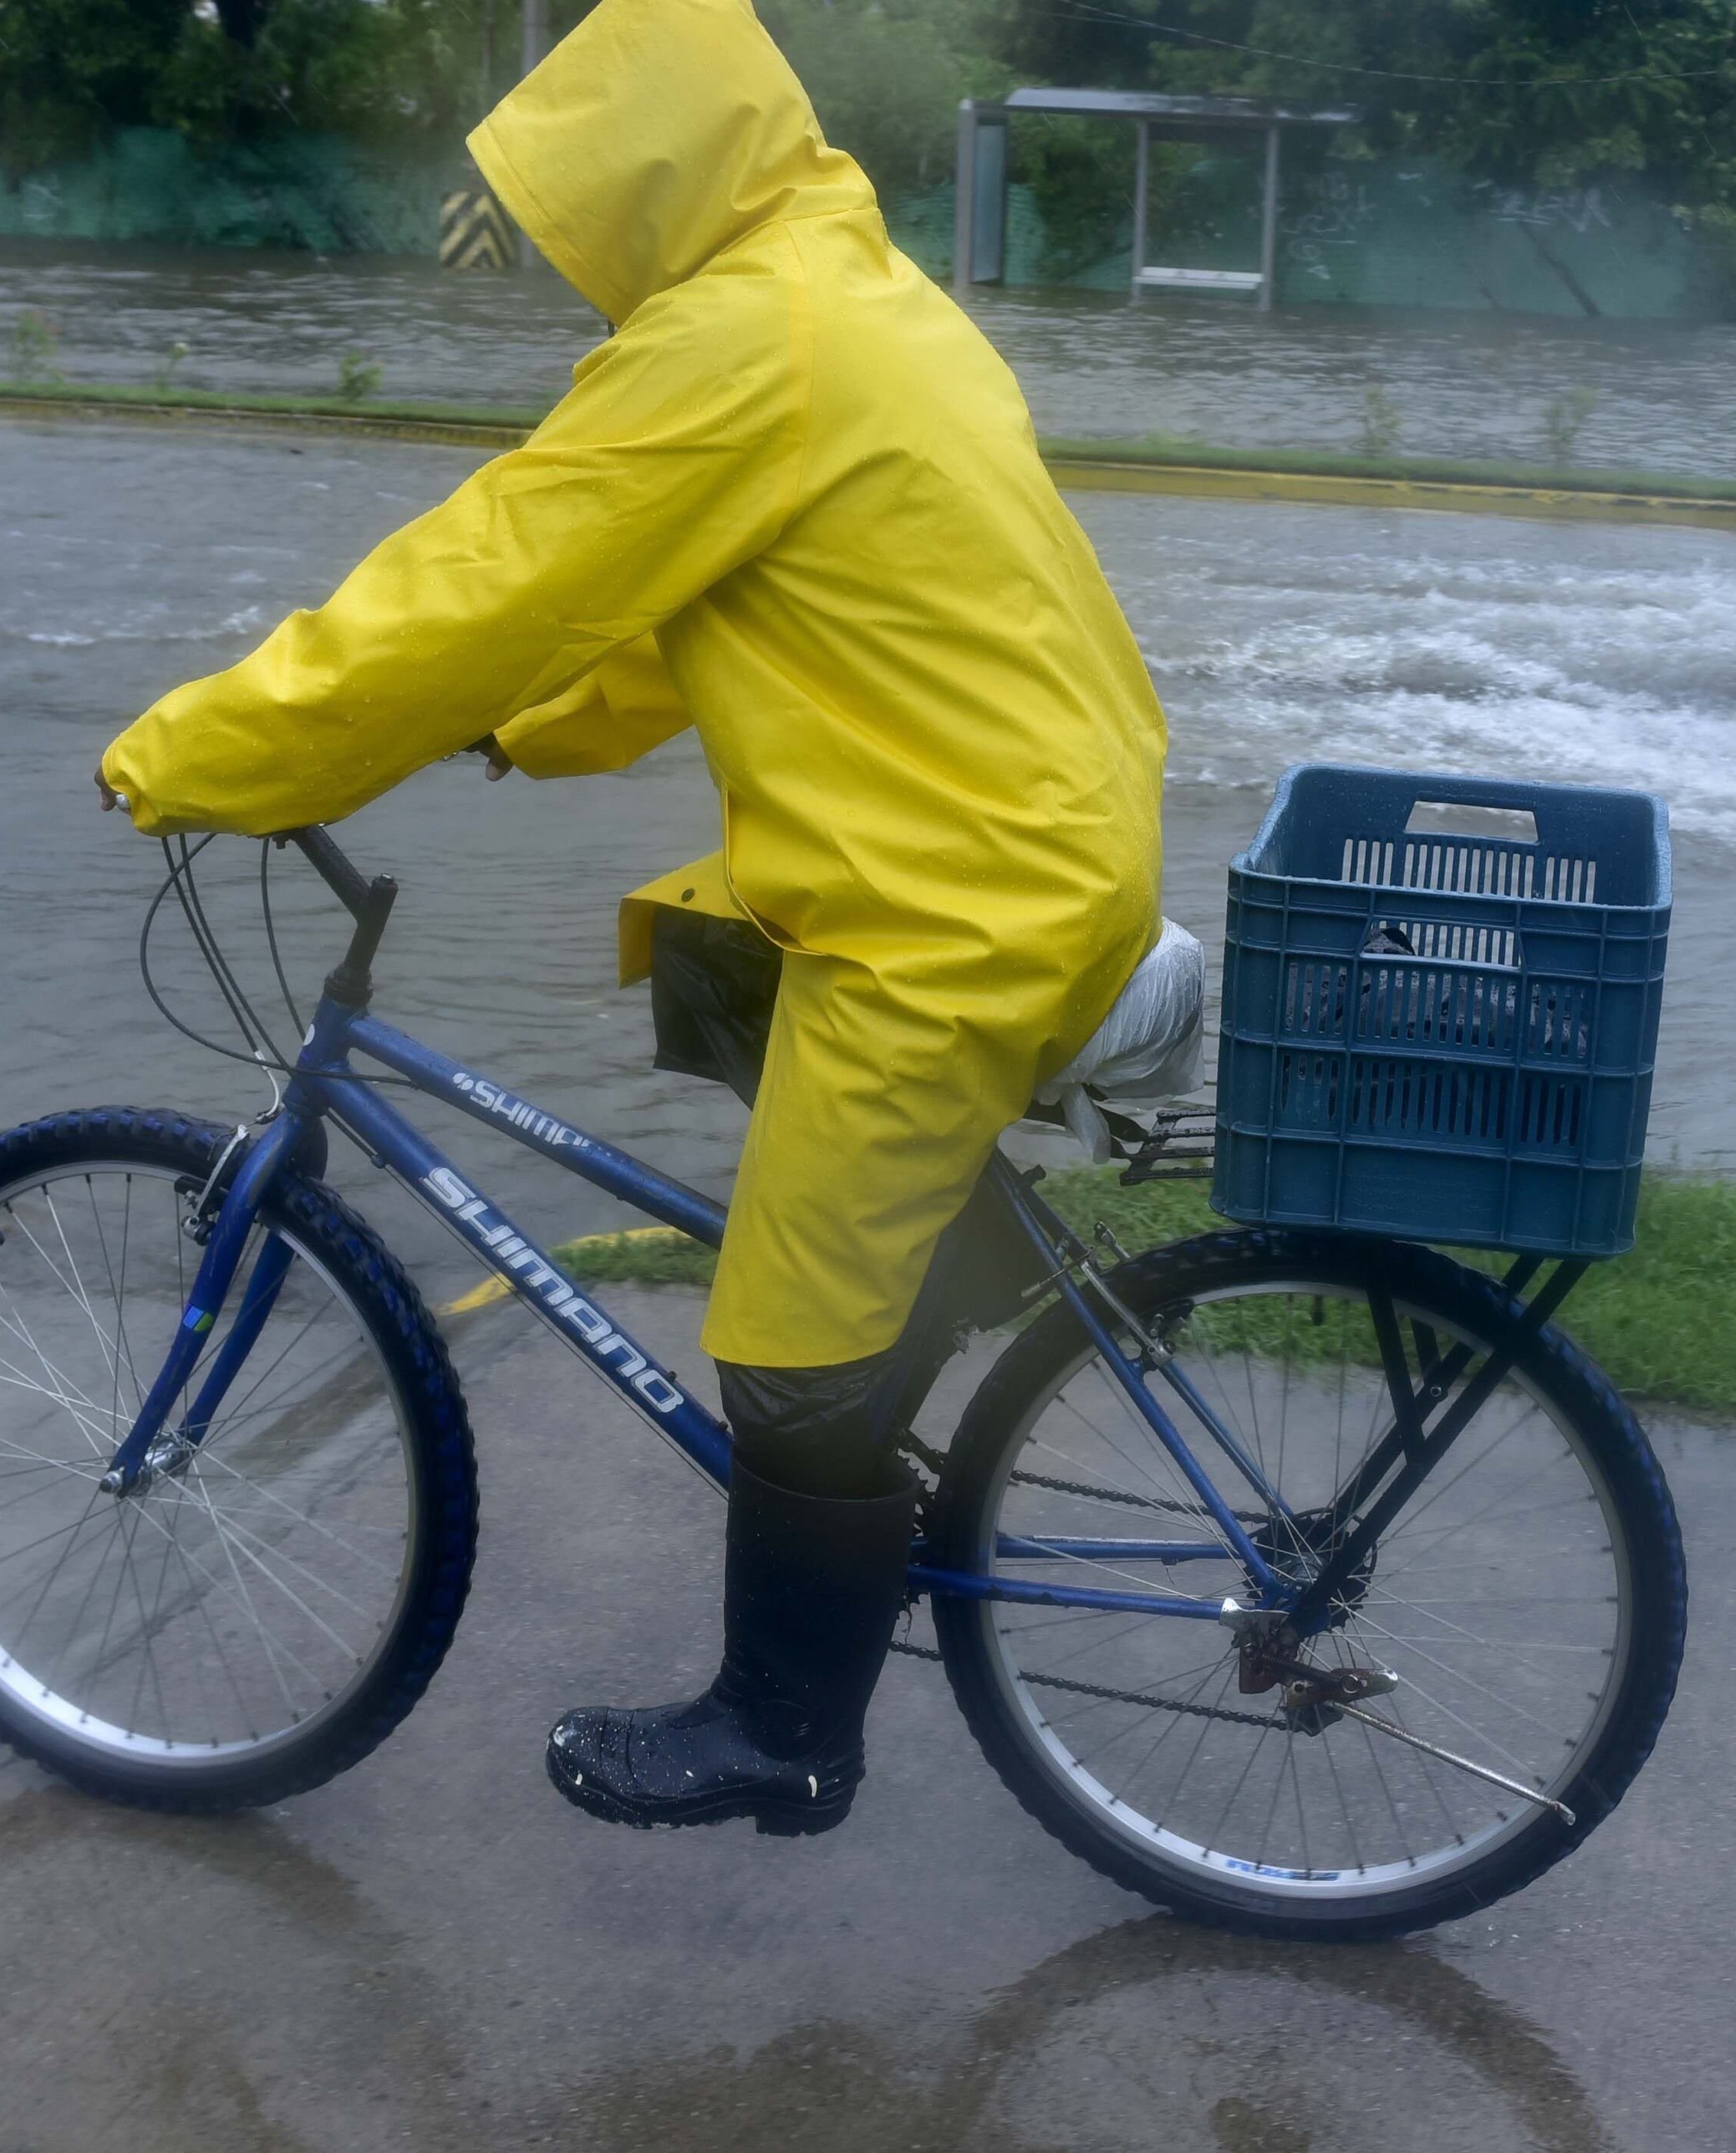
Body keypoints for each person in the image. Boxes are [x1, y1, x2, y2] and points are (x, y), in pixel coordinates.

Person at [91, 0, 1169, 1839]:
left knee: (779, 1348)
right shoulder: (854, 296)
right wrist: (527, 730)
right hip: (1036, 845)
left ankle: (783, 1725)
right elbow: (704, 613)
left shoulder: (738, 342)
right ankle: (944, 1281)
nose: (574, 258)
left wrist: (214, 751)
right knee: (701, 968)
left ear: (649, 184)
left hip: (951, 907)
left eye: (580, 210)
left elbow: (483, 581)